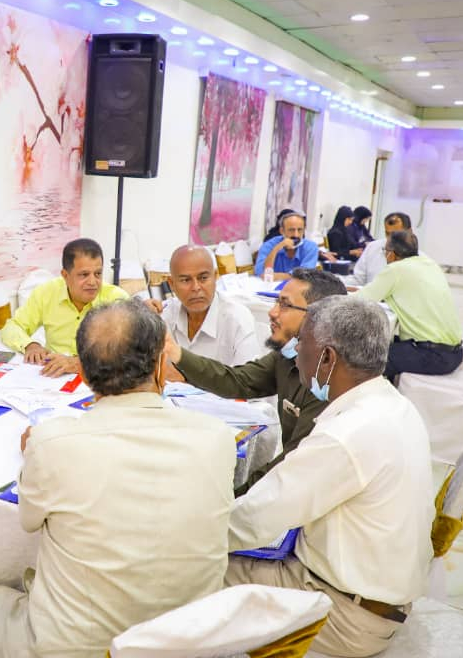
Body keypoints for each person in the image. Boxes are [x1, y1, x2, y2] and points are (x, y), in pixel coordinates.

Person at [0, 300, 235, 658]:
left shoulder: (52, 443)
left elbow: (28, 521)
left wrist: (36, 451)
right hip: (190, 640)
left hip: (77, 648)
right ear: (161, 366)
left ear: (82, 372)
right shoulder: (217, 437)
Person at [225, 296, 433, 657]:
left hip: (345, 615)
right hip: (375, 599)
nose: (294, 352)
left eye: (301, 342)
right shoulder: (394, 405)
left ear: (327, 358)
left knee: (193, 569)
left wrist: (181, 536)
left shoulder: (346, 435)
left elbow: (254, 518)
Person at [168, 268, 347, 493]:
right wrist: (177, 354)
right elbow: (239, 380)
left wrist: (232, 499)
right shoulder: (288, 356)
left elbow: (291, 466)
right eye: (276, 302)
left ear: (318, 318)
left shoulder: (331, 381)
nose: (272, 312)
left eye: (284, 305)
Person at [1, 238, 128, 378]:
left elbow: (132, 350)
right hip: (53, 378)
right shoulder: (46, 293)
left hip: (101, 378)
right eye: (84, 275)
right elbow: (12, 327)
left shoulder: (117, 299)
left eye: (98, 273)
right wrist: (30, 345)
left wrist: (79, 364)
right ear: (65, 275)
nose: (93, 282)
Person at [355, 231, 463, 380]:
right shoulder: (430, 264)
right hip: (455, 354)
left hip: (432, 356)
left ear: (392, 254)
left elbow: (360, 299)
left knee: (361, 360)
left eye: (385, 251)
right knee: (388, 346)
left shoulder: (396, 269)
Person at [160, 244, 257, 366]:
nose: (196, 287)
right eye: (185, 280)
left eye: (203, 278)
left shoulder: (238, 319)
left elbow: (247, 376)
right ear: (171, 284)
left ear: (215, 277)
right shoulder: (165, 315)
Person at [347, 212, 412, 286]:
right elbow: (358, 279)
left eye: (396, 234)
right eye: (387, 233)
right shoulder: (372, 248)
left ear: (409, 231)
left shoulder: (417, 259)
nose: (390, 238)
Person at [254, 211, 320, 279]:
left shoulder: (311, 247)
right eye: (291, 230)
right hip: (270, 285)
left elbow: (304, 275)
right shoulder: (269, 245)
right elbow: (260, 272)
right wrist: (277, 248)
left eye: (300, 230)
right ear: (282, 231)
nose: (296, 235)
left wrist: (276, 276)